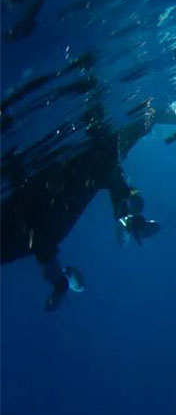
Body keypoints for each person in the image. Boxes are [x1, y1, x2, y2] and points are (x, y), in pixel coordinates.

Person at [1, 87, 161, 310]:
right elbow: (38, 241)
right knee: (105, 155)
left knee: (105, 155)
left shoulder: (101, 167)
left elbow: (38, 241)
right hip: (57, 191)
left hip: (56, 190)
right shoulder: (103, 166)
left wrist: (58, 282)